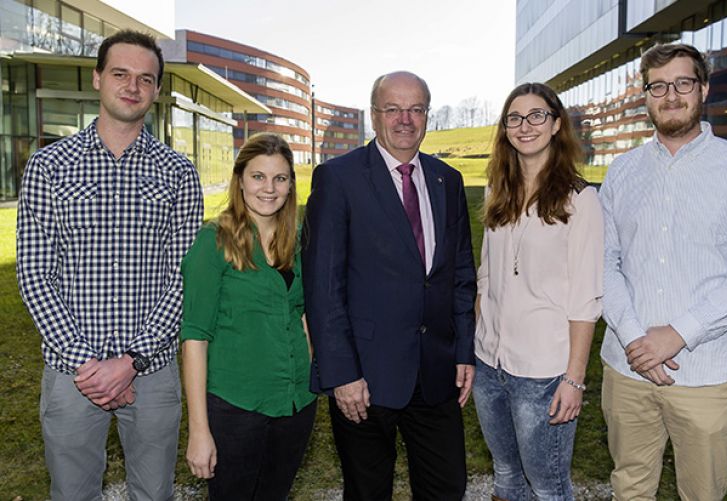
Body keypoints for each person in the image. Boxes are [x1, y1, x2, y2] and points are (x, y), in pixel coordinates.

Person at [15, 30, 203, 500]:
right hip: (70, 372)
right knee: (72, 493)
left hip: (153, 370)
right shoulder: (48, 166)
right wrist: (87, 364)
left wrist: (131, 360)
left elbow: (183, 278)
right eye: (120, 73)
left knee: (153, 493)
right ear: (98, 78)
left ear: (156, 91)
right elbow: (35, 274)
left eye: (145, 78)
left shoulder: (179, 173)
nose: (132, 86)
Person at [600, 43, 727, 500]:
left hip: (707, 373)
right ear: (646, 96)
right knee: (629, 488)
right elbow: (603, 262)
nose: (670, 95)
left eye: (682, 83)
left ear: (703, 89)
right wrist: (638, 340)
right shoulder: (621, 172)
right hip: (626, 368)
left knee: (702, 494)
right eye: (658, 86)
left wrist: (676, 334)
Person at [302, 71, 477, 501]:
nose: (405, 119)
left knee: (447, 487)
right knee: (367, 491)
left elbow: (459, 276)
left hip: (435, 373)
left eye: (416, 109)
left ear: (427, 117)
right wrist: (341, 373)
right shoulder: (338, 178)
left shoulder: (447, 180)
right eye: (393, 109)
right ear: (374, 116)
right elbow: (324, 288)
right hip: (366, 375)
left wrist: (463, 352)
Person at [473, 82, 603, 501]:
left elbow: (586, 297)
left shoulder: (581, 201)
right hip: (490, 365)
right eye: (514, 117)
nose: (524, 125)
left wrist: (574, 379)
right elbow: (487, 277)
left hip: (543, 373)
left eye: (536, 116)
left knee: (548, 486)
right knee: (506, 475)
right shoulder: (498, 192)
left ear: (555, 124)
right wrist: (475, 347)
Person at [180, 133, 316, 500]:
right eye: (258, 176)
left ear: (290, 184)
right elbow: (194, 337)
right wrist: (199, 430)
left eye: (280, 178)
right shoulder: (214, 242)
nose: (269, 188)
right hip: (236, 408)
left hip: (296, 404)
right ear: (240, 180)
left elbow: (303, 315)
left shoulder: (299, 241)